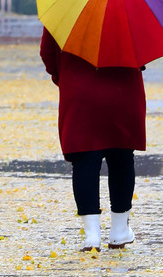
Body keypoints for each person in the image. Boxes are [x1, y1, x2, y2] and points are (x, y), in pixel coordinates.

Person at [40, 28, 145, 251]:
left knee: (84, 159)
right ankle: (119, 231)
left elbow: (47, 52)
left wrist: (65, 76)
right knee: (122, 157)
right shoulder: (130, 3)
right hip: (123, 87)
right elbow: (144, 49)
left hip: (80, 89)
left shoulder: (67, 3)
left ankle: (92, 236)